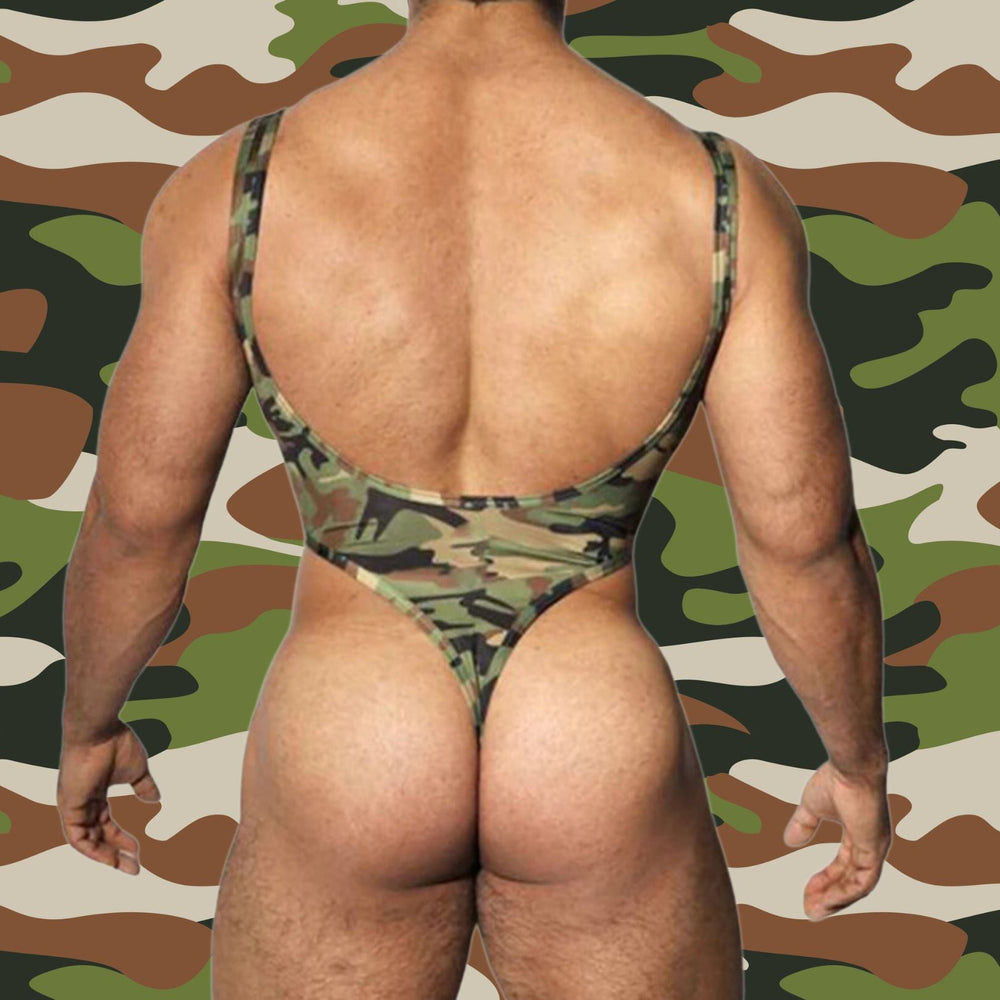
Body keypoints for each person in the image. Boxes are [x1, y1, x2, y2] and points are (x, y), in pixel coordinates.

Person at [56, 0, 891, 997]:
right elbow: (804, 534)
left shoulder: (241, 183)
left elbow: (138, 520)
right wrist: (856, 761)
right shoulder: (711, 192)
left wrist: (88, 723)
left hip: (356, 720)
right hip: (585, 723)